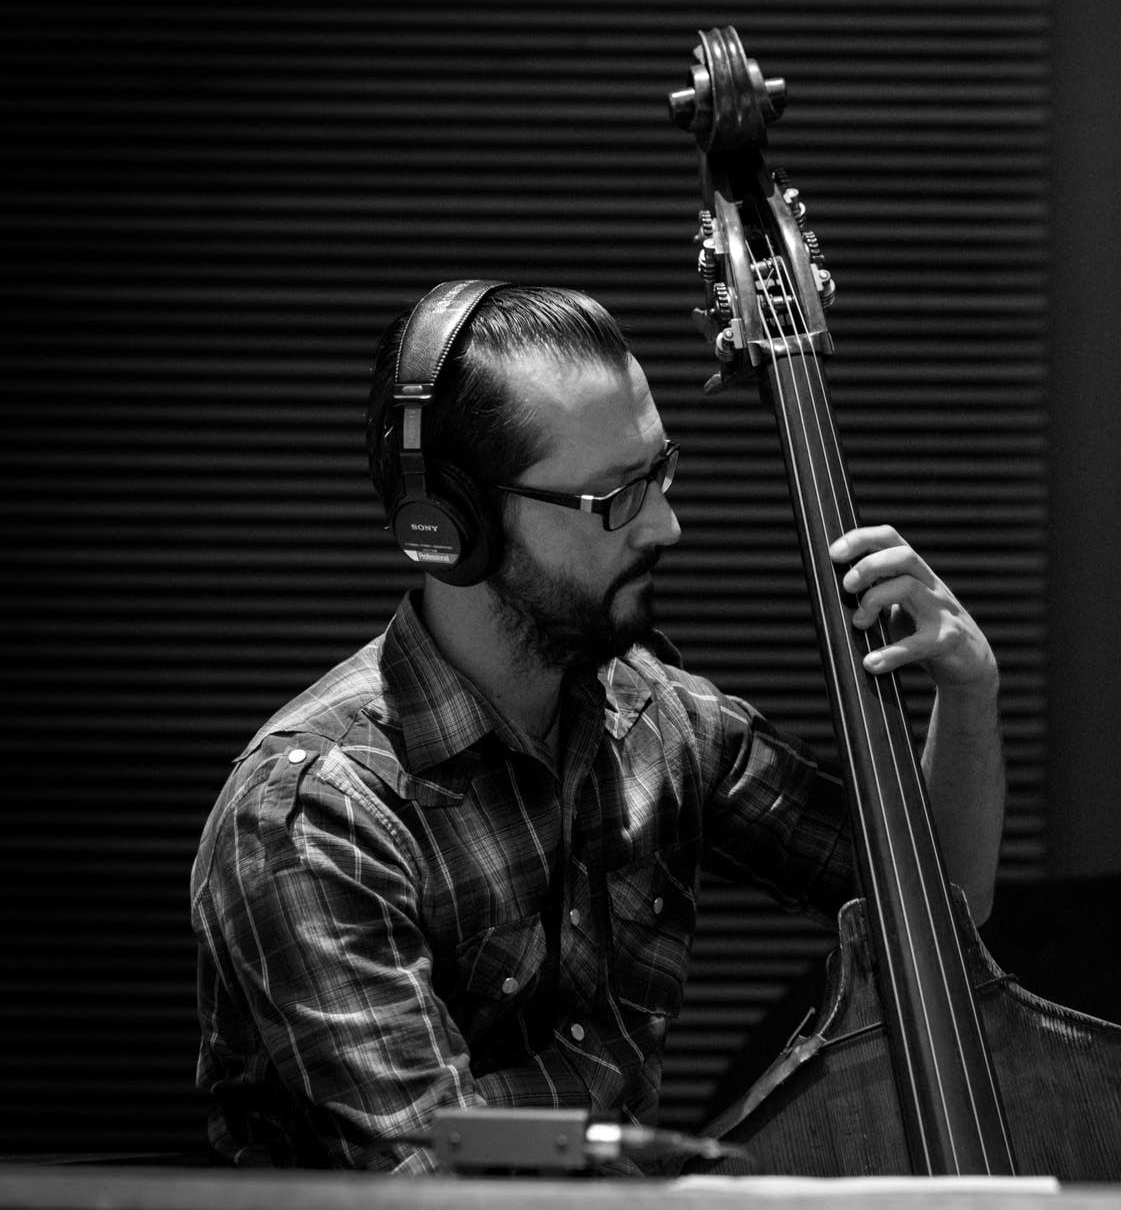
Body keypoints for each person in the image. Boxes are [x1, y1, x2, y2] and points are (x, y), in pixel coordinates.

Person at [188, 283, 1004, 1173]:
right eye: (616, 497)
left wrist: (968, 695)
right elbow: (436, 1178)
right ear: (451, 525)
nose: (667, 523)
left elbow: (938, 906)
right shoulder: (314, 815)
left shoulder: (658, 715)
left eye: (660, 471)